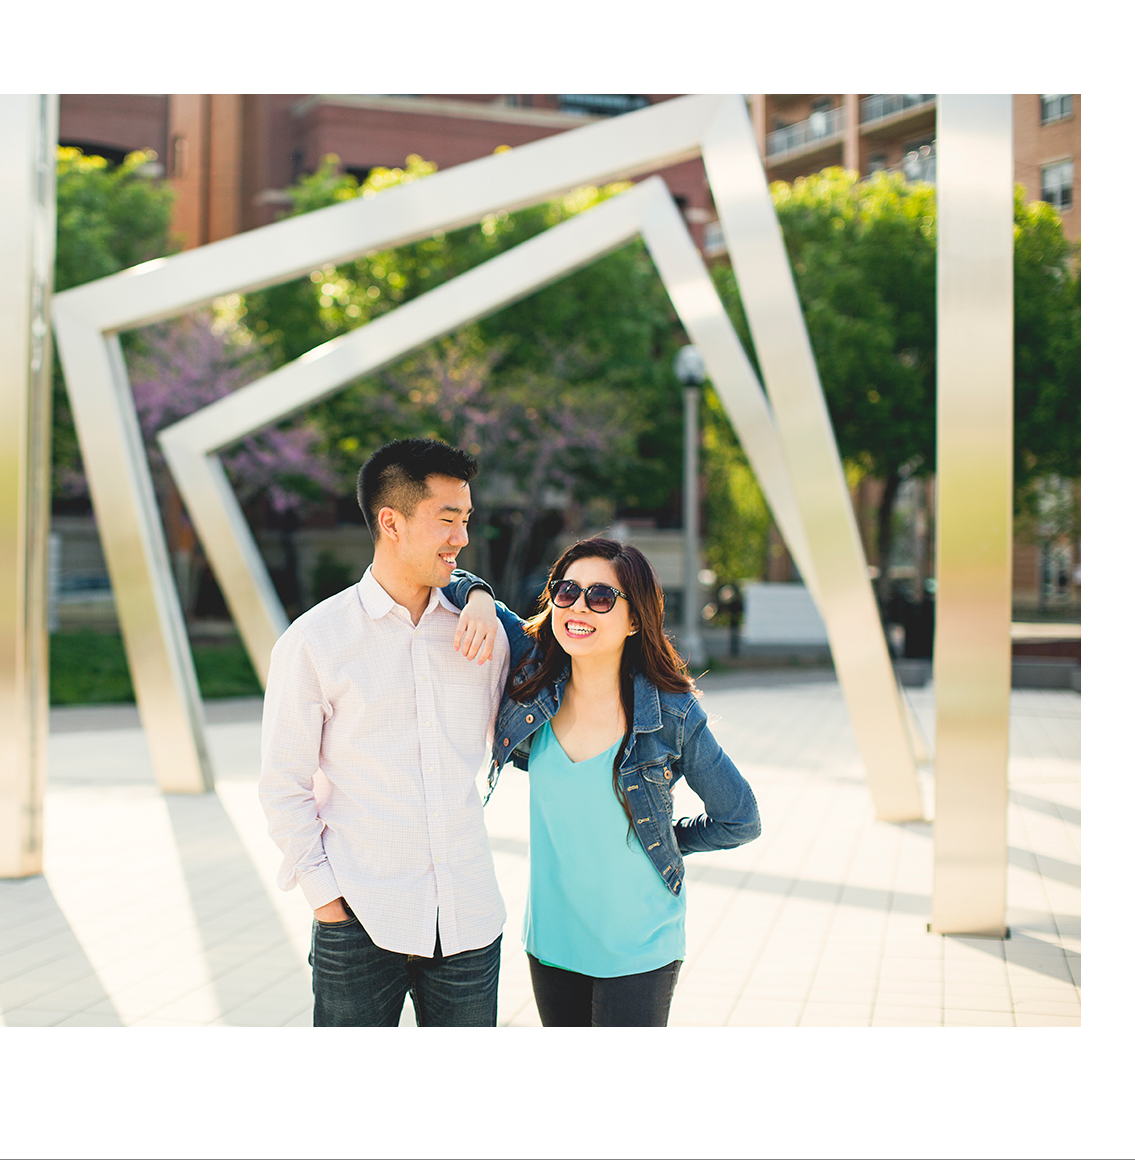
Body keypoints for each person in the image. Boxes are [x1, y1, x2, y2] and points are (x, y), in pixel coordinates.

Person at [451, 537, 760, 1027]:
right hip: (552, 938)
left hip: (639, 944)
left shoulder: (671, 712)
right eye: (566, 591)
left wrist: (665, 840)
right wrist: (480, 598)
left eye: (600, 597)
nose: (578, 607)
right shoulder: (536, 669)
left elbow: (740, 819)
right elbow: (448, 576)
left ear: (635, 620)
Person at [257, 438, 510, 1027]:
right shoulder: (315, 640)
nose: (462, 538)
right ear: (391, 522)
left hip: (469, 918)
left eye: (466, 519)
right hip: (360, 920)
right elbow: (282, 785)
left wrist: (481, 594)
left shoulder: (484, 632)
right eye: (447, 519)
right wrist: (326, 899)